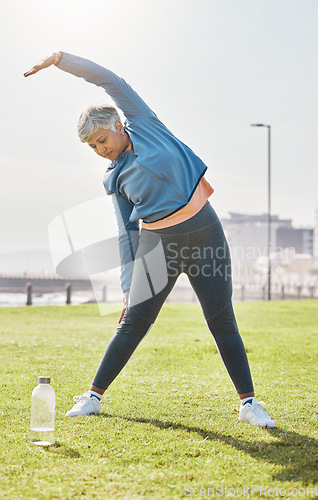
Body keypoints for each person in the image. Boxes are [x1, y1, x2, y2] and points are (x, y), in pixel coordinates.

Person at [24, 51, 275, 428]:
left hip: (205, 234)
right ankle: (93, 396)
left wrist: (61, 60)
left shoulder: (144, 124)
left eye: (101, 139)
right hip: (157, 247)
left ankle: (249, 403)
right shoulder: (114, 177)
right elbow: (126, 233)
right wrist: (128, 285)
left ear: (118, 125)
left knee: (222, 320)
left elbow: (111, 81)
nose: (100, 149)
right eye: (92, 147)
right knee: (132, 322)